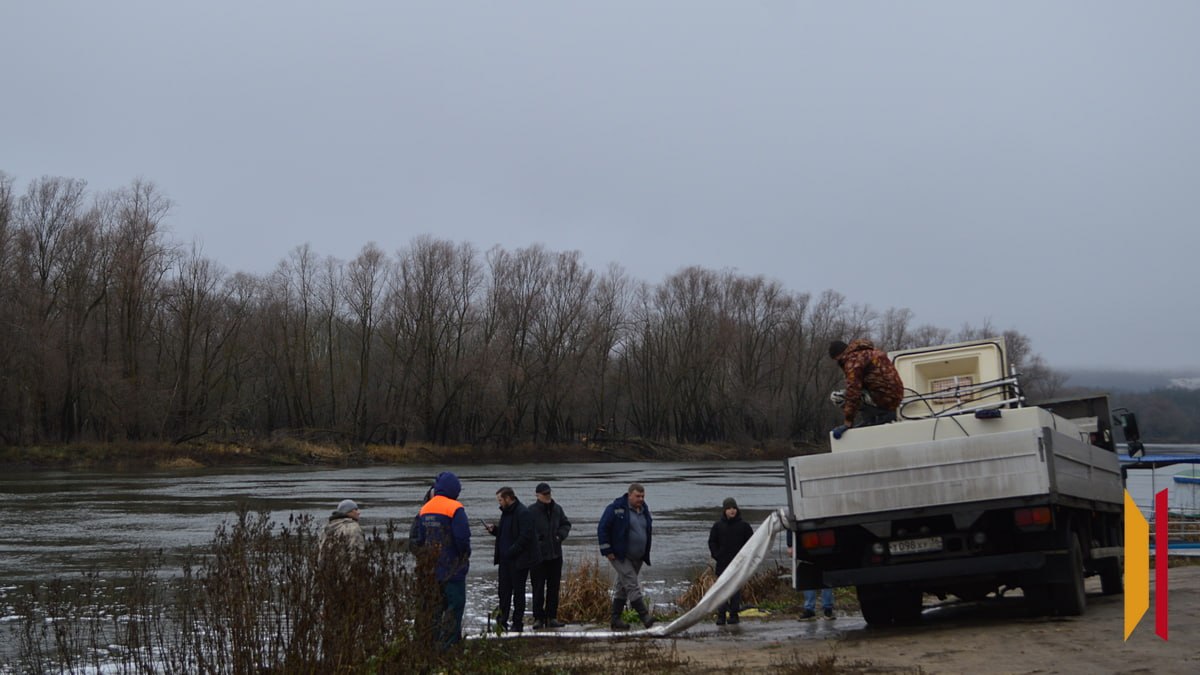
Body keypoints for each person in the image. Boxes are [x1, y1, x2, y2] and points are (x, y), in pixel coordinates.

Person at [411, 471, 472, 648]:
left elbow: (420, 539)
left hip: (431, 569)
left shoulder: (425, 509)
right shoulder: (455, 508)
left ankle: (431, 643)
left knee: (435, 608)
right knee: (455, 606)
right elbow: (462, 538)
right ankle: (449, 646)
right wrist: (464, 556)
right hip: (452, 568)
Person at [598, 482, 655, 630]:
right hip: (619, 555)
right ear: (629, 495)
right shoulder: (615, 509)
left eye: (642, 496)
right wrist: (607, 550)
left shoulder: (644, 510)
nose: (641, 499)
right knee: (631, 583)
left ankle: (615, 619)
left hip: (638, 556)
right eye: (638, 496)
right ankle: (644, 616)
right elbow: (603, 528)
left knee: (622, 586)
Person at [485, 486, 541, 633]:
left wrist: (511, 551)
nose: (499, 503)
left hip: (519, 561)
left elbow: (526, 537)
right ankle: (502, 622)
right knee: (503, 593)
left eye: (500, 500)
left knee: (518, 593)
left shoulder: (523, 513)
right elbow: (505, 534)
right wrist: (495, 530)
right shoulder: (506, 513)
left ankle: (517, 622)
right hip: (505, 561)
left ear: (508, 498)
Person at [828, 338, 905, 439]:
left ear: (838, 355)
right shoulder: (871, 352)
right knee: (861, 391)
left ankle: (877, 417)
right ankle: (875, 416)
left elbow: (853, 392)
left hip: (884, 399)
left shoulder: (853, 360)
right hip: (895, 396)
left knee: (837, 397)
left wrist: (848, 422)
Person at [529, 482, 572, 629]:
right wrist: (536, 540)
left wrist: (560, 536)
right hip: (537, 557)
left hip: (555, 555)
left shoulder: (557, 509)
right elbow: (525, 530)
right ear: (537, 495)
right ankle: (538, 618)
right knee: (538, 588)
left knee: (554, 588)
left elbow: (566, 524)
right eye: (544, 494)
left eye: (548, 493)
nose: (547, 496)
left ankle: (552, 617)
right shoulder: (531, 511)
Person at [707, 497, 753, 625]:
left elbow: (751, 544)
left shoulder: (744, 526)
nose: (732, 511)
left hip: (738, 564)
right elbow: (712, 541)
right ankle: (721, 615)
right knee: (721, 590)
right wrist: (716, 555)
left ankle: (734, 615)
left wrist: (745, 559)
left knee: (735, 591)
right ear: (724, 510)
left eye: (734, 508)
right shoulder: (718, 526)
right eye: (729, 508)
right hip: (722, 563)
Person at [786, 531, 835, 620]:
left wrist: (790, 544)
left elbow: (789, 525)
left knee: (811, 572)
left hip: (806, 536)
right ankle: (824, 609)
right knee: (823, 571)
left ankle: (814, 609)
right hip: (816, 536)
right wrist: (790, 544)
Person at [318, 499, 366, 564]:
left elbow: (321, 553)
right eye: (355, 510)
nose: (358, 512)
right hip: (347, 571)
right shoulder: (353, 528)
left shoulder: (327, 528)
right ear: (348, 512)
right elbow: (357, 553)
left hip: (328, 570)